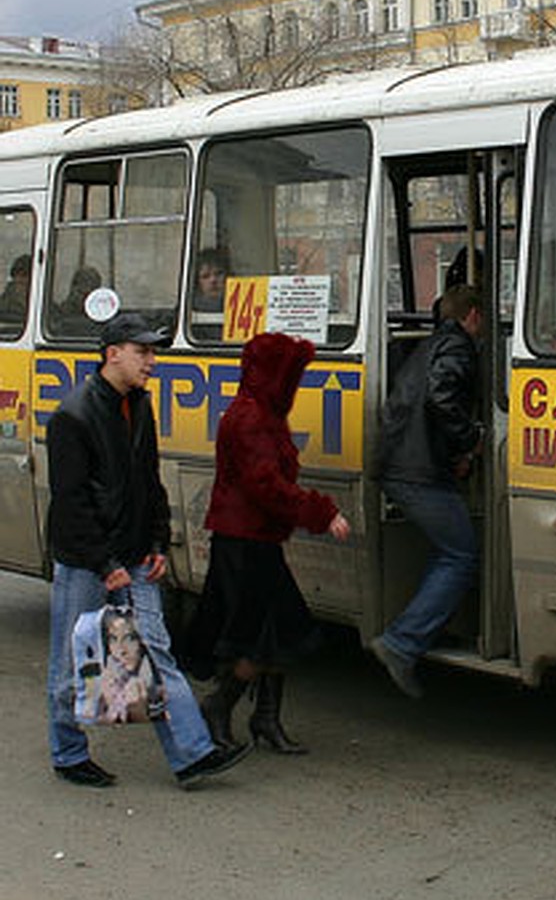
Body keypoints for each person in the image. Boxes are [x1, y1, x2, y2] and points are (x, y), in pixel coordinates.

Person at [45, 311, 250, 788]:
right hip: (88, 563)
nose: (152, 361)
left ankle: (192, 753)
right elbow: (71, 505)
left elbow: (148, 483)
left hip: (135, 554)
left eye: (153, 352)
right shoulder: (72, 416)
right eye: (143, 352)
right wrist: (104, 564)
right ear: (112, 353)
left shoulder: (138, 406)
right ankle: (68, 752)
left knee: (154, 651)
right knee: (73, 660)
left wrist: (157, 542)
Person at [185, 332, 350, 754]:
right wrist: (321, 512)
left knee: (279, 632)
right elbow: (267, 486)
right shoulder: (253, 418)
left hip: (252, 540)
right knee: (262, 636)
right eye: (291, 375)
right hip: (244, 543)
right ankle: (220, 708)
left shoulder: (259, 412)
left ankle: (265, 719)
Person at [370, 284, 484, 699]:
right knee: (461, 553)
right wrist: (470, 439)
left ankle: (432, 628)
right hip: (414, 470)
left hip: (403, 462)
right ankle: (402, 642)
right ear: (473, 316)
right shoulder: (459, 345)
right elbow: (441, 396)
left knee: (447, 548)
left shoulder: (433, 342)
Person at [95, 608, 165, 724]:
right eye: (113, 639)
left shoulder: (156, 679)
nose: (121, 650)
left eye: (129, 639)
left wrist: (139, 712)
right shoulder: (109, 666)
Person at [193, 247, 229, 313]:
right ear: (197, 282)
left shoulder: (241, 305)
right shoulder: (187, 309)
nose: (213, 280)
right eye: (205, 276)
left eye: (218, 274)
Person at [0, 253, 31, 319]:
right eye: (17, 275)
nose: (21, 280)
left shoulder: (46, 306)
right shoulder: (3, 306)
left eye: (25, 275)